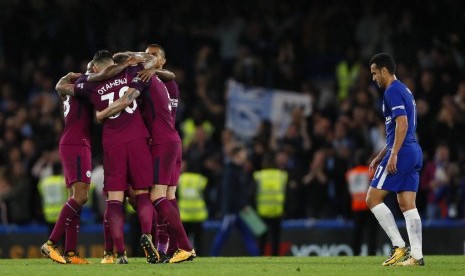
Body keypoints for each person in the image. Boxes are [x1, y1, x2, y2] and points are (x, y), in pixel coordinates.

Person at [58, 50, 159, 264]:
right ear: (113, 62)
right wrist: (136, 59)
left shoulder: (90, 84)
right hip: (138, 137)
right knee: (142, 194)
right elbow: (154, 61)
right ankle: (147, 235)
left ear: (95, 67)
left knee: (114, 200)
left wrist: (101, 113)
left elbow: (62, 88)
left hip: (112, 142)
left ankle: (119, 253)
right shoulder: (133, 71)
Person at [96, 49, 195, 263]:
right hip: (171, 140)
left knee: (156, 197)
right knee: (167, 197)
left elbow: (126, 100)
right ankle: (173, 248)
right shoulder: (156, 77)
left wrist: (102, 114)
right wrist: (147, 63)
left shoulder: (140, 77)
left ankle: (185, 247)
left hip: (160, 142)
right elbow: (162, 68)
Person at [366, 53, 424, 266]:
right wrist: (381, 154)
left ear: (384, 70)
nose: (374, 78)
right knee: (407, 204)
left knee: (372, 199)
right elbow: (395, 131)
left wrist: (394, 154)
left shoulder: (392, 91)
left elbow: (402, 124)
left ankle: (399, 245)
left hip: (404, 152)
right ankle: (417, 256)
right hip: (413, 151)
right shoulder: (404, 90)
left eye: (374, 73)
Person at [40, 61, 97, 265]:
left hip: (71, 141)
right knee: (80, 196)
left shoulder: (73, 88)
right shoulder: (87, 85)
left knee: (75, 197)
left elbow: (60, 86)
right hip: (77, 143)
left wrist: (65, 77)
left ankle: (71, 252)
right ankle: (52, 243)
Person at [210, 145, 260, 257]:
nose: (245, 155)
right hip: (232, 210)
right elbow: (229, 193)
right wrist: (229, 209)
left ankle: (256, 256)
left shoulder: (239, 170)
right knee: (223, 233)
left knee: (248, 233)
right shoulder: (230, 171)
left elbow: (241, 192)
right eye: (243, 153)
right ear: (237, 155)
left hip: (240, 209)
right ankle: (213, 255)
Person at [253, 152, 287, 256]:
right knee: (275, 239)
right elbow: (287, 195)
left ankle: (260, 260)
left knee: (261, 240)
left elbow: (252, 194)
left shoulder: (258, 176)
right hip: (277, 212)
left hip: (261, 213)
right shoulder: (282, 176)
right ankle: (275, 260)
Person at [346, 151, 378, 256]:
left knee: (357, 232)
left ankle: (356, 253)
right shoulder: (369, 172)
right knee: (371, 232)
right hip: (368, 206)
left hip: (356, 206)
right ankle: (371, 253)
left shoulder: (350, 173)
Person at [177, 160, 209, 256]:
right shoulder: (201, 180)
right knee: (199, 239)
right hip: (198, 215)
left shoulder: (180, 179)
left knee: (184, 239)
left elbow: (175, 196)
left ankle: (184, 255)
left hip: (184, 214)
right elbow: (207, 197)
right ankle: (200, 255)